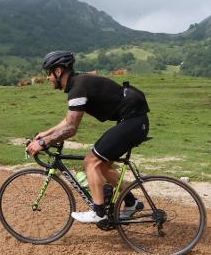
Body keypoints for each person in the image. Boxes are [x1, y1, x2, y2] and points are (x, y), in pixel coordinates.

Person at [26, 50, 150, 223]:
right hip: (134, 121)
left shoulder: (78, 87)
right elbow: (69, 120)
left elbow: (71, 129)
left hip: (133, 122)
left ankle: (99, 212)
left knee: (91, 161)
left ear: (59, 71)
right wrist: (46, 134)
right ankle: (130, 202)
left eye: (49, 73)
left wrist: (42, 143)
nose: (48, 78)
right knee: (103, 165)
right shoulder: (78, 84)